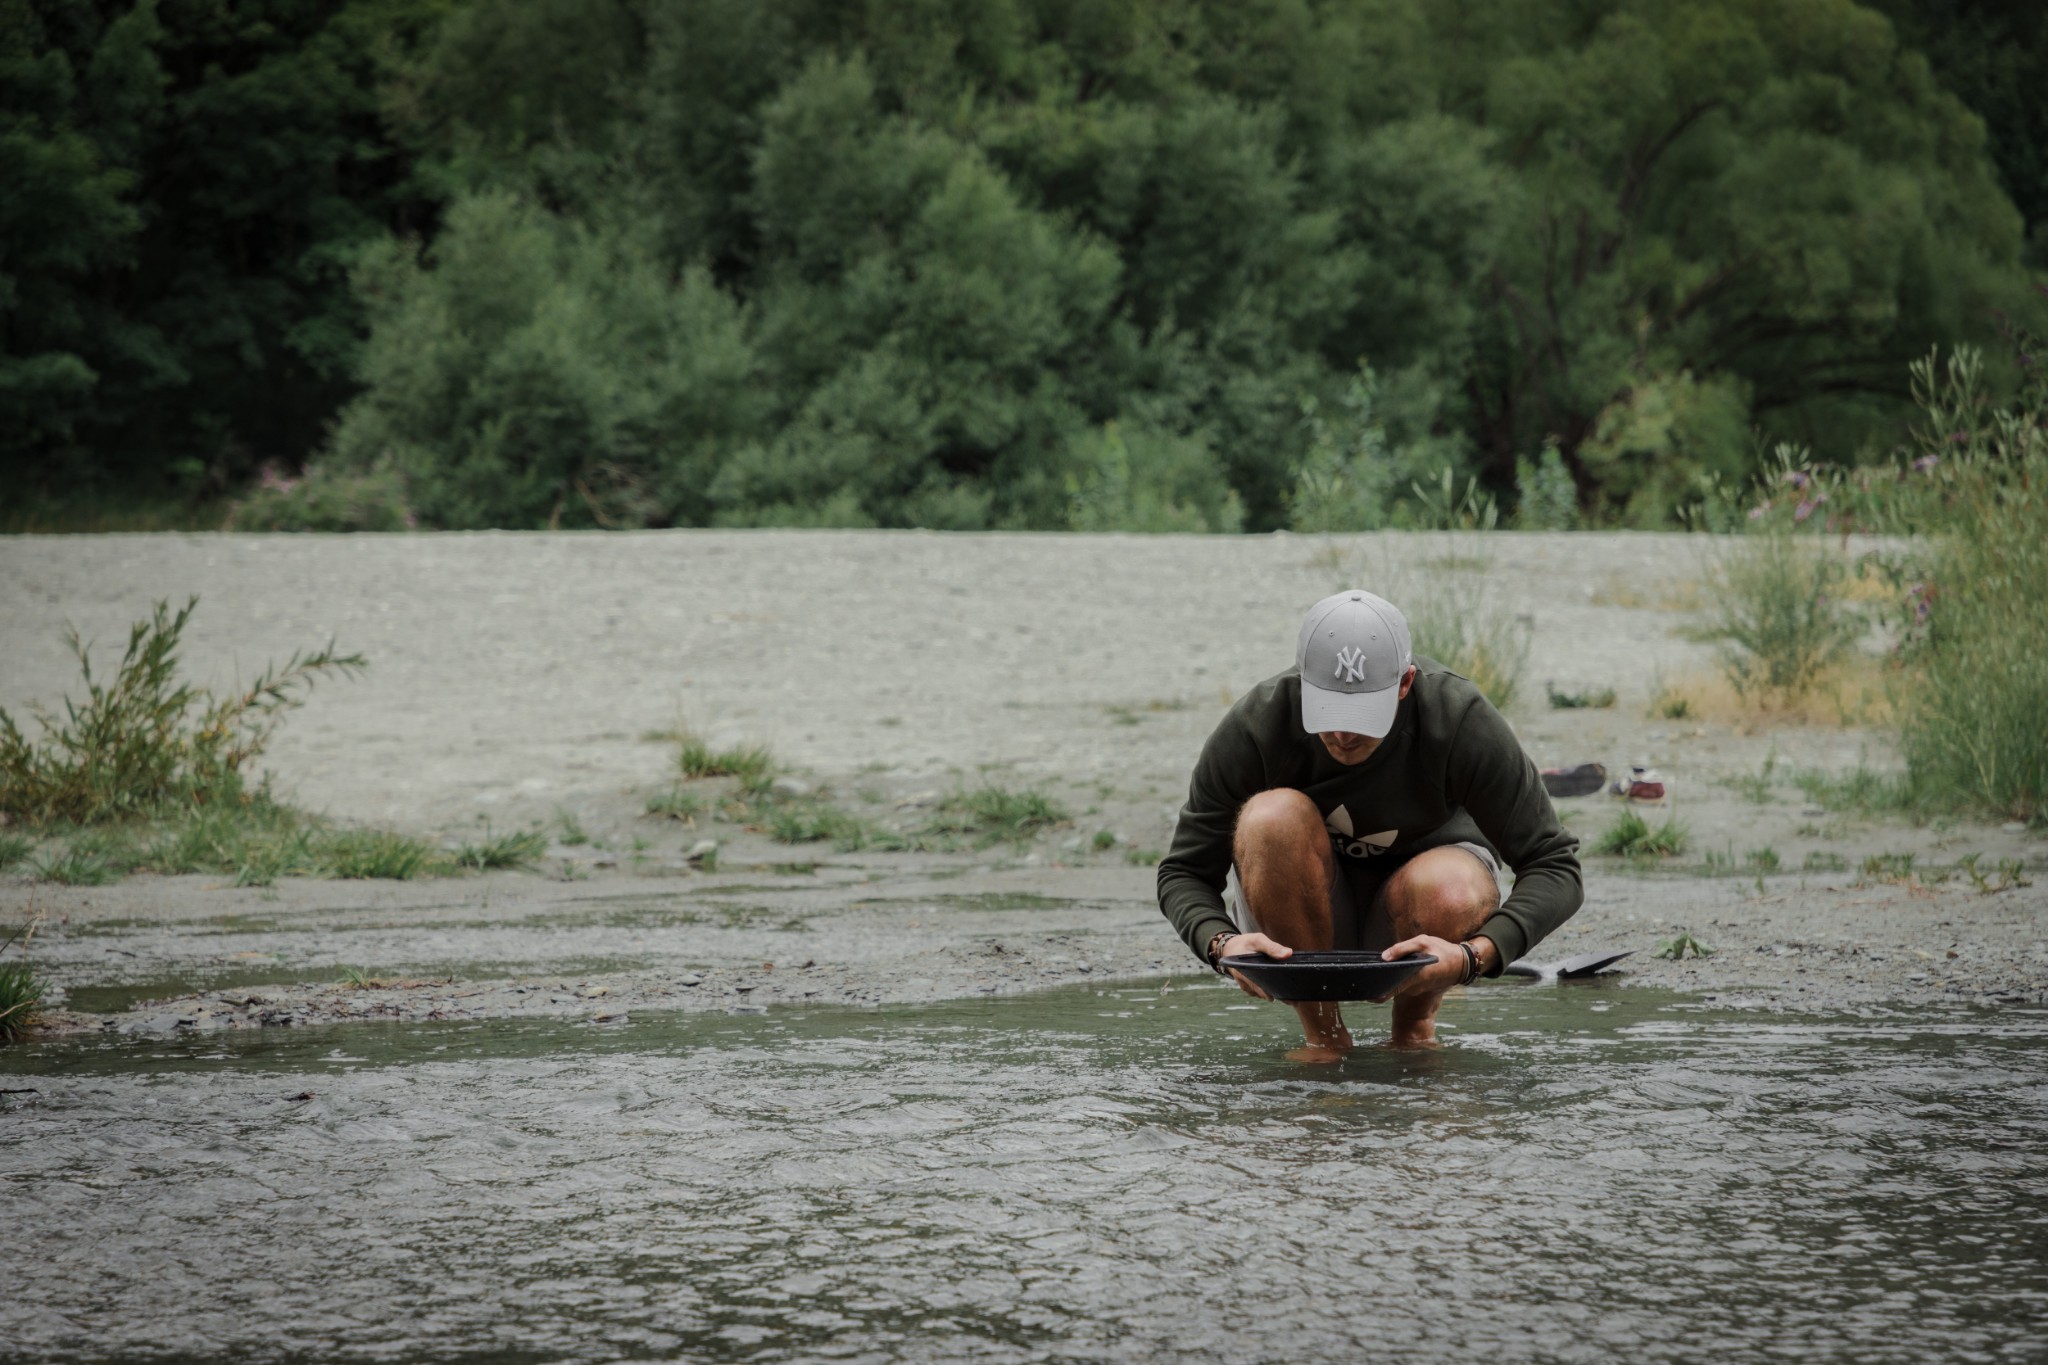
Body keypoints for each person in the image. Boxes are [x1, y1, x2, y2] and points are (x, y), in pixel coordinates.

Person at [1156, 589, 1582, 1058]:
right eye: (1328, 710)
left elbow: (1555, 866)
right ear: (1302, 682)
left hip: (1422, 914)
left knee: (1452, 886)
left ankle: (1414, 1031)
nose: (1342, 733)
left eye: (1362, 715)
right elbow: (1184, 872)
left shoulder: (1459, 718)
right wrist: (1220, 944)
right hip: (1300, 914)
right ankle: (1324, 1037)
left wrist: (1473, 956)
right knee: (1270, 818)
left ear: (1405, 683)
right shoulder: (1258, 724)